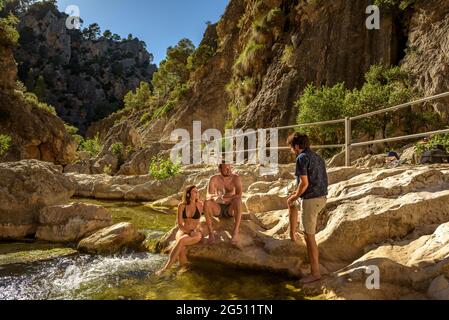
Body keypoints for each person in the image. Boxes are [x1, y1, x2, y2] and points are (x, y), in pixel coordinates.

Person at [286, 133, 328, 285]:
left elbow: (304, 183)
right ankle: (291, 234)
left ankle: (315, 273)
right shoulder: (317, 157)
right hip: (321, 197)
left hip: (311, 200)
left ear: (296, 146)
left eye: (291, 147)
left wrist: (296, 196)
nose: (291, 150)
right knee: (291, 203)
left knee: (309, 236)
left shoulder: (301, 158)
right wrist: (295, 196)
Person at [155, 185, 203, 276]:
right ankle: (184, 266)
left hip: (196, 232)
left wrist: (193, 231)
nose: (197, 193)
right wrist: (188, 231)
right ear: (188, 194)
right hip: (183, 230)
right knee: (181, 245)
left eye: (197, 191)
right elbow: (180, 224)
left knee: (181, 241)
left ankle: (165, 268)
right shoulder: (181, 205)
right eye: (194, 191)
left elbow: (198, 221)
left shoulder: (200, 205)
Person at [204, 162, 243, 245]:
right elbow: (208, 195)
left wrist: (225, 199)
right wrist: (215, 197)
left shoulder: (235, 178)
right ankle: (211, 233)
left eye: (229, 168)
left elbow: (239, 195)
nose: (228, 170)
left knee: (238, 201)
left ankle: (235, 232)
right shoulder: (214, 178)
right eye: (226, 168)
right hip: (218, 208)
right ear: (220, 169)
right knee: (207, 202)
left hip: (230, 208)